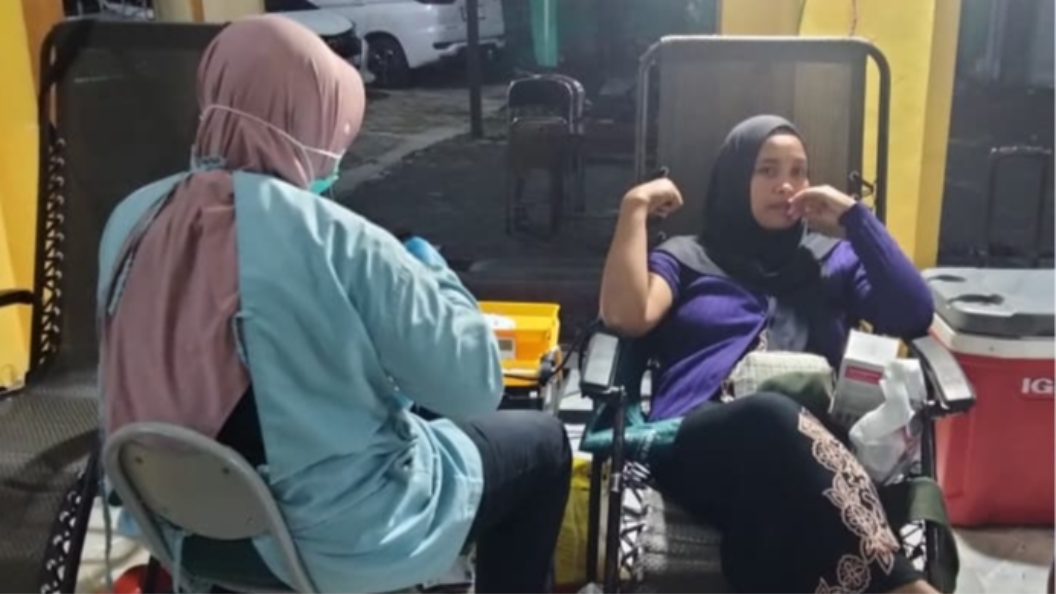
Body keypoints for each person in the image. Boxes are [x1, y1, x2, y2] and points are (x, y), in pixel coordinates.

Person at [97, 16, 570, 594]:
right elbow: (473, 390)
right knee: (543, 445)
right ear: (314, 122)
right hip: (331, 539)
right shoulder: (339, 239)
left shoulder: (131, 218)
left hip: (176, 526)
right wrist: (438, 279)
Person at [599, 115, 938, 594]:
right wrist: (634, 208)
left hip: (812, 461)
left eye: (798, 171)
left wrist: (855, 220)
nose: (786, 185)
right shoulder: (687, 257)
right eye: (767, 170)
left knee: (771, 524)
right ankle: (904, 586)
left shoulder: (831, 259)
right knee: (770, 415)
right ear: (736, 178)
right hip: (701, 444)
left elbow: (913, 313)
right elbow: (625, 316)